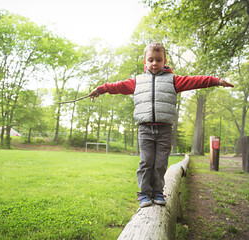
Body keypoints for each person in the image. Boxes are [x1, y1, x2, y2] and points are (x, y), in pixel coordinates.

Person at [89, 42, 234, 208]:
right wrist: (100, 89)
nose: (154, 63)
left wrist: (217, 81)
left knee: (160, 163)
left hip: (164, 129)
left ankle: (158, 192)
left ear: (165, 61)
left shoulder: (173, 80)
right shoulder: (137, 81)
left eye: (158, 60)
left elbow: (196, 81)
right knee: (146, 162)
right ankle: (144, 194)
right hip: (145, 129)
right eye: (150, 60)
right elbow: (116, 86)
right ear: (145, 62)